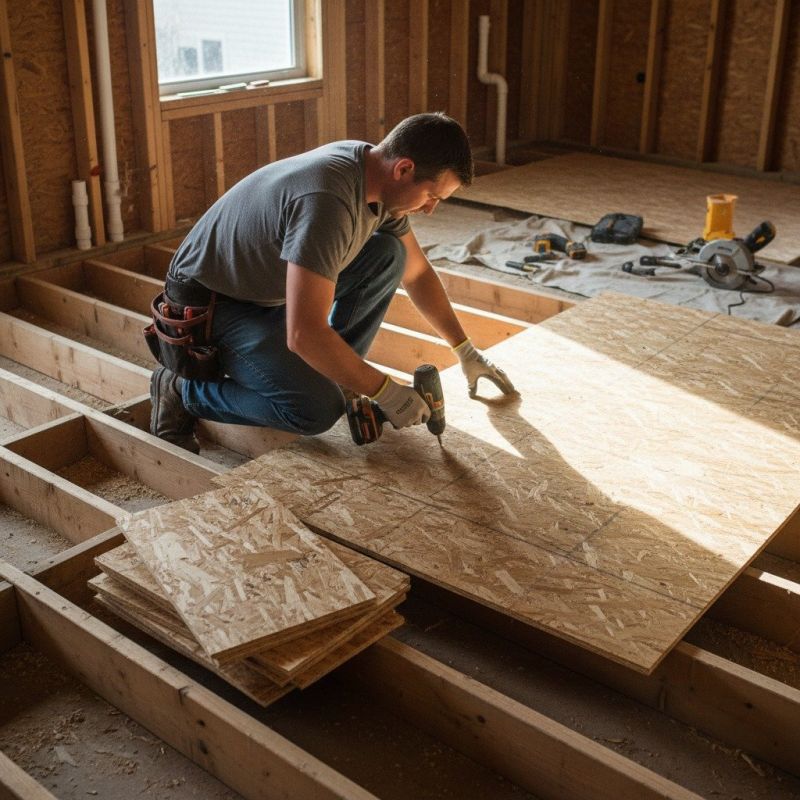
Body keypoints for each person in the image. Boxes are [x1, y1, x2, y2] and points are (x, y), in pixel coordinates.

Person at [150, 112, 515, 453]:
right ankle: (182, 391)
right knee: (315, 410)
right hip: (213, 304)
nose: (430, 209)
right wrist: (385, 392)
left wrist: (464, 350)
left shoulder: (373, 175)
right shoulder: (329, 201)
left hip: (262, 289)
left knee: (389, 254)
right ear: (404, 169)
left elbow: (417, 273)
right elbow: (302, 334)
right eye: (432, 196)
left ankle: (338, 374)